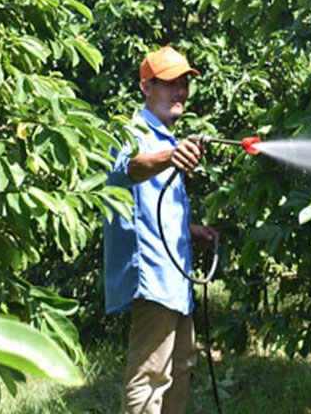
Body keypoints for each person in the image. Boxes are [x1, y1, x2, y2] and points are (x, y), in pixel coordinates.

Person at [103, 45, 218, 413]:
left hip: (176, 276)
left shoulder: (167, 137)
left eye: (184, 82)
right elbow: (130, 167)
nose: (180, 91)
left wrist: (191, 229)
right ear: (146, 87)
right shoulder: (132, 131)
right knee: (150, 376)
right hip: (153, 276)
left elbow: (152, 205)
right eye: (169, 83)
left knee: (182, 366)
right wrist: (170, 156)